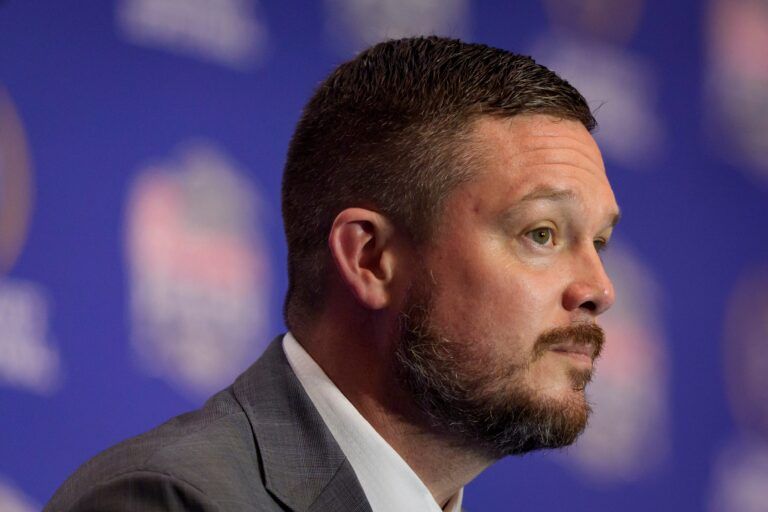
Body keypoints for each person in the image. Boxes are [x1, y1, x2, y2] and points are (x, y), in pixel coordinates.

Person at [46, 36, 620, 512]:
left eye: (598, 242)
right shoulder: (174, 502)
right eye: (542, 233)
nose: (598, 289)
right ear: (370, 260)